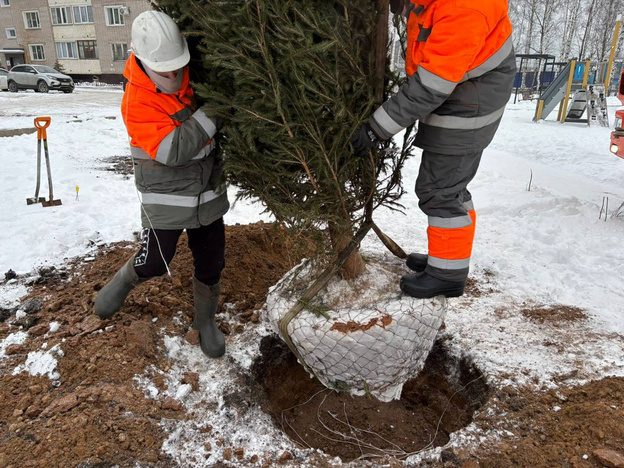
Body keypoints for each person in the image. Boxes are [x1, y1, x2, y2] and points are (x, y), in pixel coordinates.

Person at [352, 0, 515, 299]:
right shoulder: (434, 4)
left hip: (469, 105)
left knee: (440, 191)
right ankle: (447, 260)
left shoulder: (463, 9)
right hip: (465, 95)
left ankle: (447, 276)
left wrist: (377, 127)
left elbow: (432, 84)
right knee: (451, 189)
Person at [94, 11, 230, 359]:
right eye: (165, 70)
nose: (173, 75)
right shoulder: (137, 101)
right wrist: (214, 111)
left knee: (211, 261)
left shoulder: (193, 76)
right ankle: (124, 280)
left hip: (206, 194)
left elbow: (197, 138)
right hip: (166, 198)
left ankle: (204, 322)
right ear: (143, 62)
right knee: (157, 259)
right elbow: (174, 149)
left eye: (177, 67)